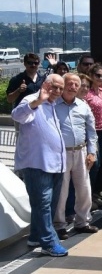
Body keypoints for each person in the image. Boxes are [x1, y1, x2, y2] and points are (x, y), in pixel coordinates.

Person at [12, 74, 68, 256]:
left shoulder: (52, 104)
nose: (58, 91)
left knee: (48, 204)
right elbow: (17, 115)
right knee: (42, 204)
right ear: (45, 85)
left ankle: (36, 235)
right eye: (55, 87)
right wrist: (37, 101)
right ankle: (49, 243)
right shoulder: (32, 100)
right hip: (37, 164)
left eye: (61, 88)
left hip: (55, 164)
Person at [53, 73, 99, 238]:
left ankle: (82, 222)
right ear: (63, 85)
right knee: (62, 192)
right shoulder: (53, 105)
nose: (73, 87)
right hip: (61, 153)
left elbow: (91, 132)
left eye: (76, 84)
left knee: (84, 189)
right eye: (69, 83)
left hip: (81, 152)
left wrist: (92, 152)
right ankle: (59, 225)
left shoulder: (83, 106)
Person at [85, 64, 102, 208]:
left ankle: (94, 194)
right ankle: (87, 196)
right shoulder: (87, 93)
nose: (101, 78)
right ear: (91, 76)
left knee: (100, 164)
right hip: (92, 132)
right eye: (98, 75)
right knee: (93, 164)